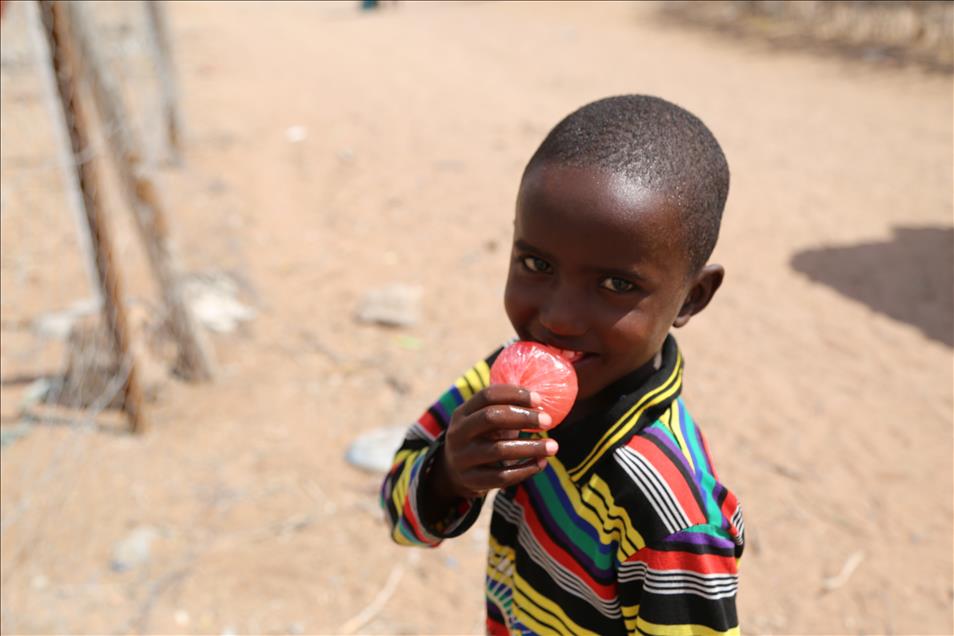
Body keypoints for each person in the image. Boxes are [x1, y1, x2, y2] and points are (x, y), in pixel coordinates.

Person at [380, 95, 744, 635]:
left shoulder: (670, 514)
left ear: (692, 298)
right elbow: (401, 516)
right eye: (536, 264)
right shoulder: (505, 379)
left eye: (617, 284)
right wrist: (449, 475)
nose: (558, 317)